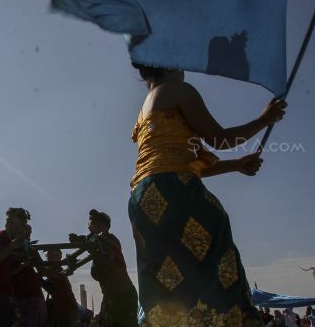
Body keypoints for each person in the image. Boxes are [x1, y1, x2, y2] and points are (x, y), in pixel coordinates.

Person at [128, 63, 286, 326]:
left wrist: (236, 165)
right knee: (214, 259)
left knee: (168, 276)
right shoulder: (178, 89)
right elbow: (219, 139)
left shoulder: (146, 106)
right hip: (173, 189)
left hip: (144, 197)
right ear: (168, 64)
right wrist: (264, 120)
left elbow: (178, 163)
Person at [85, 210, 138, 327]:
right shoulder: (97, 240)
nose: (90, 225)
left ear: (103, 226)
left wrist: (90, 240)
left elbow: (107, 258)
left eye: (94, 223)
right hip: (111, 295)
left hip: (122, 294)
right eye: (90, 223)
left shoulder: (109, 239)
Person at [0, 207, 31, 327]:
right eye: (9, 222)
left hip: (5, 292)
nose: (8, 225)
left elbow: (6, 270)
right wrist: (11, 247)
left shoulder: (10, 241)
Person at [12, 224, 47, 327]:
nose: (28, 235)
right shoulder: (27, 248)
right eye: (26, 232)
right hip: (29, 296)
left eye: (29, 233)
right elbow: (43, 270)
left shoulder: (28, 248)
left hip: (24, 295)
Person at [42, 249, 78, 327]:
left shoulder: (57, 270)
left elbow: (51, 288)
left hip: (66, 310)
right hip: (63, 310)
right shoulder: (57, 270)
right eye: (48, 256)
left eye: (50, 256)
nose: (47, 258)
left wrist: (40, 279)